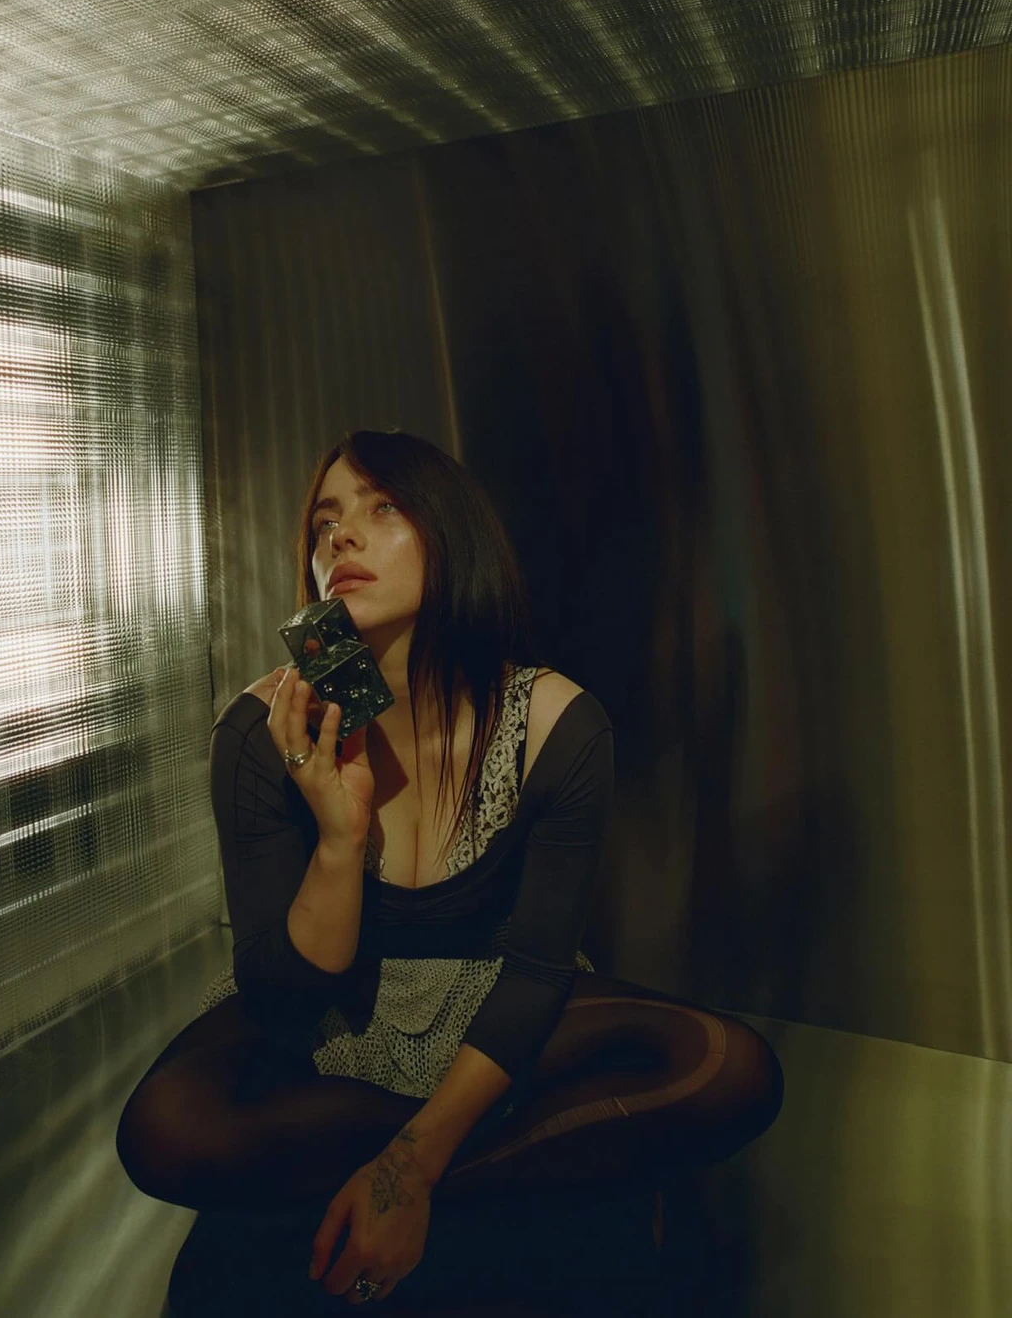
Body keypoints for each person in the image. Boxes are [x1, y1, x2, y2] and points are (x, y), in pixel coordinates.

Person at [116, 428, 783, 1312]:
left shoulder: (555, 723)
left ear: (450, 532)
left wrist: (412, 1163)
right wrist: (339, 836)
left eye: (382, 507)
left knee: (729, 1068)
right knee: (163, 1131)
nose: (341, 537)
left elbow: (538, 969)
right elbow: (281, 1000)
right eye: (324, 522)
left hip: (496, 1010)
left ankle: (374, 1188)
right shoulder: (261, 730)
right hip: (328, 1025)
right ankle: (532, 1173)